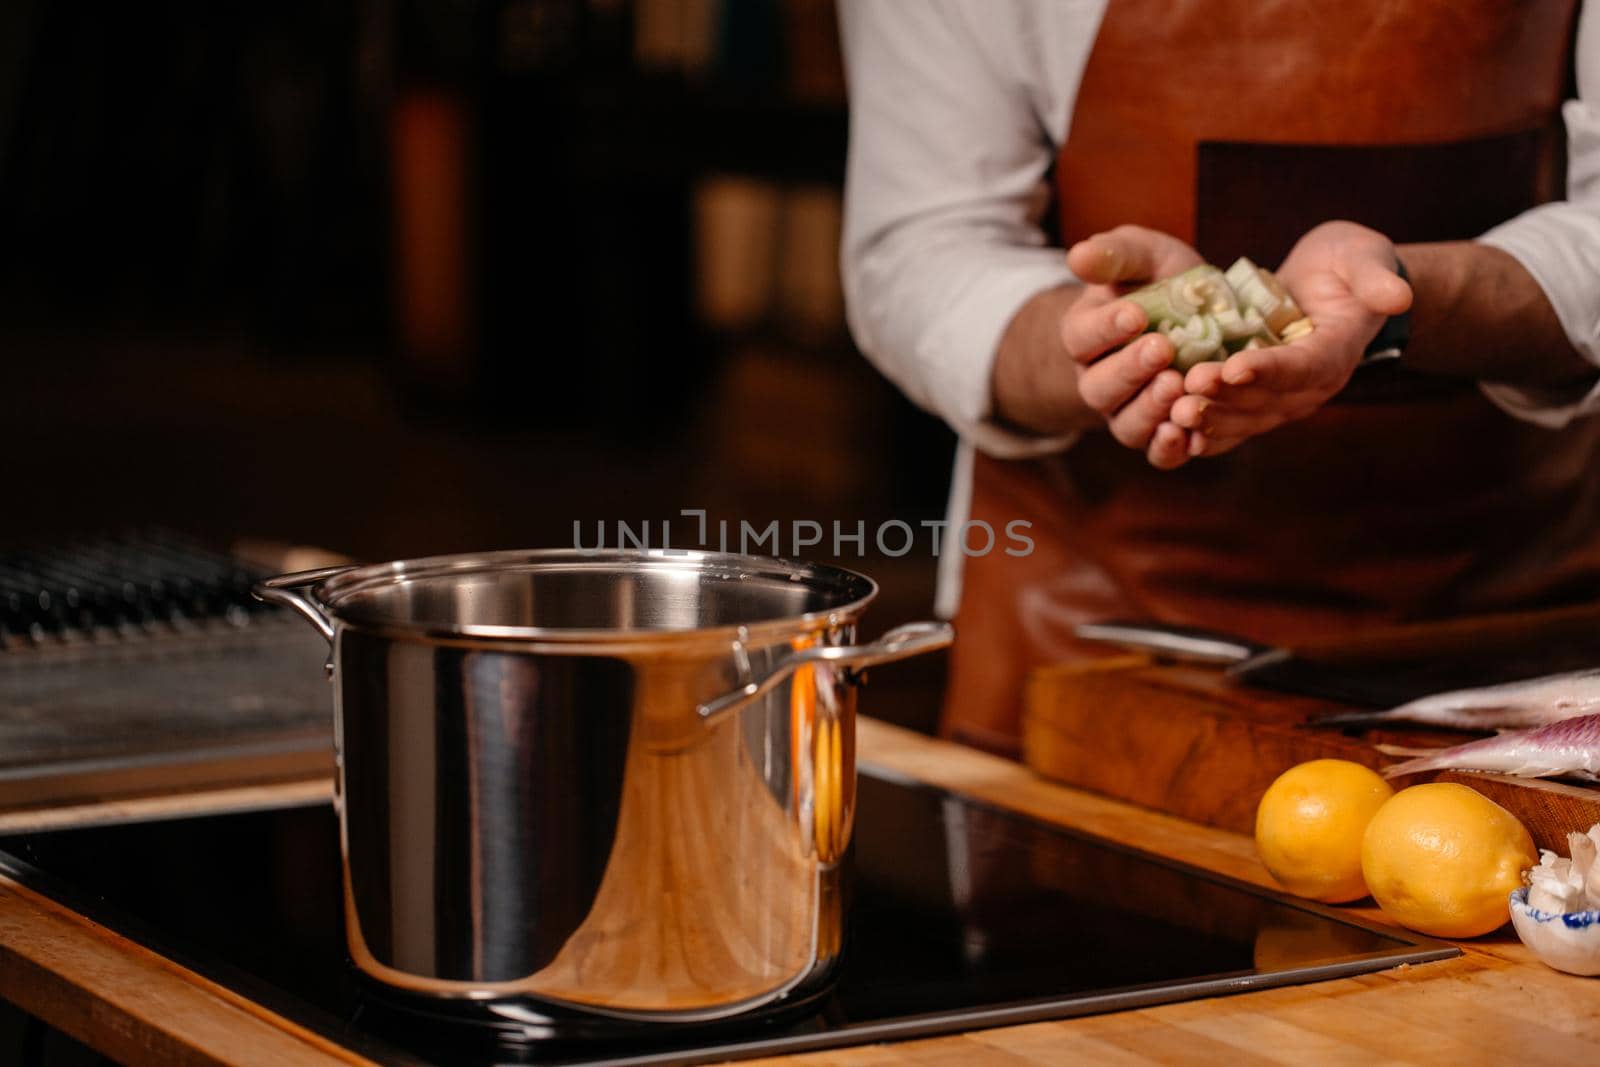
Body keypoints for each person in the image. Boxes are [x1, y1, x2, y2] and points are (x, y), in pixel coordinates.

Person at [839, 0, 1600, 758]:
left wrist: (1415, 296)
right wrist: (1110, 346)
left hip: (1515, 636)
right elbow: (922, 245)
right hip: (1099, 653)